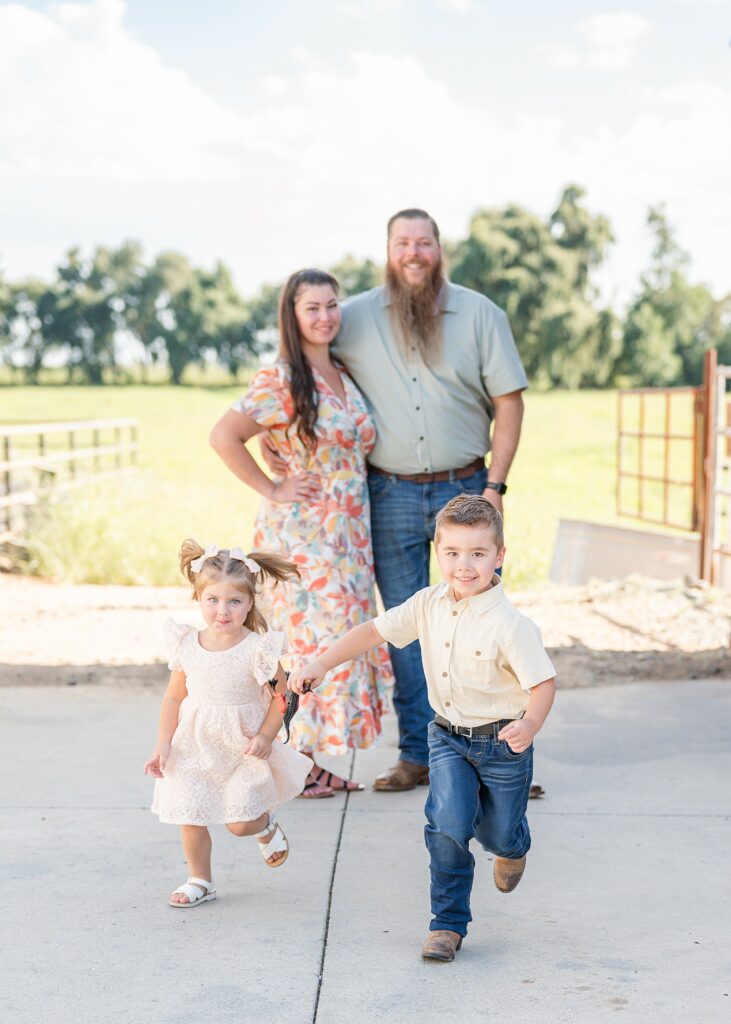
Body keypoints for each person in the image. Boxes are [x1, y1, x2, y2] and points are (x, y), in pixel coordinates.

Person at [264, 209, 528, 792]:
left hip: (468, 489)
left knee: (485, 620)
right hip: (389, 492)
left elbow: (510, 404)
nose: (414, 253)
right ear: (388, 250)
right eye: (402, 243)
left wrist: (495, 487)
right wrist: (275, 453)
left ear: (440, 249)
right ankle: (419, 755)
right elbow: (293, 374)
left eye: (424, 243)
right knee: (405, 627)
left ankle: (501, 754)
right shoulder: (351, 316)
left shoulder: (481, 314)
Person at [289, 494, 556, 961]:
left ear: (499, 555)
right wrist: (323, 663)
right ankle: (447, 924)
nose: (464, 565)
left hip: (503, 744)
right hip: (448, 736)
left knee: (496, 834)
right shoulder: (427, 603)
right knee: (447, 826)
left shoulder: (512, 625)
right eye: (452, 553)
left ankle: (513, 845)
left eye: (477, 553)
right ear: (438, 551)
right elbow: (373, 631)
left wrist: (530, 723)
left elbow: (544, 684)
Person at [209, 269, 392, 798]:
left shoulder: (341, 371)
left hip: (350, 539)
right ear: (292, 316)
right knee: (307, 644)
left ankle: (303, 761)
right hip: (305, 536)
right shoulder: (282, 378)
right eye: (312, 307)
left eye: (332, 305)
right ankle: (290, 761)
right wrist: (272, 486)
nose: (325, 316)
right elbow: (224, 437)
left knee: (334, 642)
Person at [144, 540, 311, 907]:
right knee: (190, 811)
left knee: (239, 823)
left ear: (250, 603)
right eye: (213, 600)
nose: (223, 610)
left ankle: (264, 825)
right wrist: (163, 743)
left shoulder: (258, 649)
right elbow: (173, 697)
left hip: (242, 745)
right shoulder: (187, 642)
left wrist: (267, 736)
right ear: (199, 599)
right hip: (194, 743)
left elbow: (283, 697)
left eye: (234, 601)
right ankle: (200, 879)